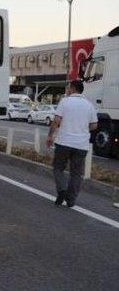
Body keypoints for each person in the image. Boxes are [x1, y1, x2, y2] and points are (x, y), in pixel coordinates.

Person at [47, 79, 98, 207]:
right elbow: (94, 125)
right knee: (76, 174)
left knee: (58, 168)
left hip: (64, 142)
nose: (67, 90)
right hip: (81, 145)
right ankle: (71, 200)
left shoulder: (65, 101)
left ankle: (62, 190)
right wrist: (82, 127)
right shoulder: (89, 105)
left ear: (73, 88)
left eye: (69, 87)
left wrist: (50, 136)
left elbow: (56, 121)